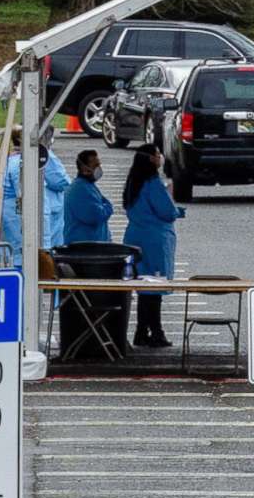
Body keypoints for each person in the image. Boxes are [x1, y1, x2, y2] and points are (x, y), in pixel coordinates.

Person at [122, 146, 185, 348]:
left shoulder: (134, 182)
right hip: (154, 240)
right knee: (155, 285)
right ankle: (156, 331)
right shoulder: (153, 184)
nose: (160, 157)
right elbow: (167, 211)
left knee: (143, 286)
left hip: (135, 236)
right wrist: (176, 208)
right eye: (157, 154)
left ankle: (142, 331)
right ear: (150, 159)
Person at [0, 130, 71, 265]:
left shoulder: (11, 163)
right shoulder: (23, 165)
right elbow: (34, 204)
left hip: (19, 243)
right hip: (26, 247)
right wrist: (45, 249)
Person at [63, 150, 117, 245]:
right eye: (95, 166)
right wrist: (108, 207)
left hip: (93, 246)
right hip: (85, 248)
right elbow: (95, 216)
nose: (99, 169)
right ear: (85, 169)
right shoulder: (80, 190)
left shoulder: (87, 187)